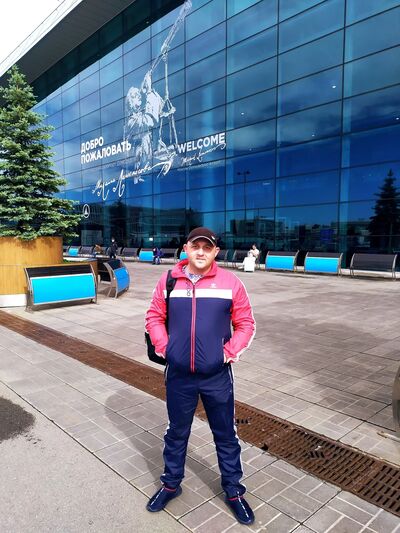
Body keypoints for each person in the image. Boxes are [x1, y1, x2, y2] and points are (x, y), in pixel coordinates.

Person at [145, 227, 256, 525]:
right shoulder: (169, 280)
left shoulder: (230, 283)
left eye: (207, 247)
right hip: (179, 375)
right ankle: (171, 484)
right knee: (176, 432)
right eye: (196, 246)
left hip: (216, 375)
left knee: (226, 434)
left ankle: (233, 490)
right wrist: (166, 348)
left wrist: (227, 353)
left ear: (215, 252)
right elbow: (154, 317)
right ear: (186, 248)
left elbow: (246, 323)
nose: (201, 252)